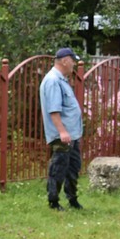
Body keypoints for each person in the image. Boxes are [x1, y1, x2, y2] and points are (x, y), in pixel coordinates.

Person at [39, 47, 85, 210]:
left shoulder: (61, 80)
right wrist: (63, 131)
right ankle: (53, 202)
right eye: (73, 60)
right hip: (62, 135)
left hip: (71, 134)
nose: (74, 64)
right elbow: (54, 110)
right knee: (58, 168)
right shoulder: (52, 81)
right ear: (65, 60)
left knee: (73, 167)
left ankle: (72, 199)